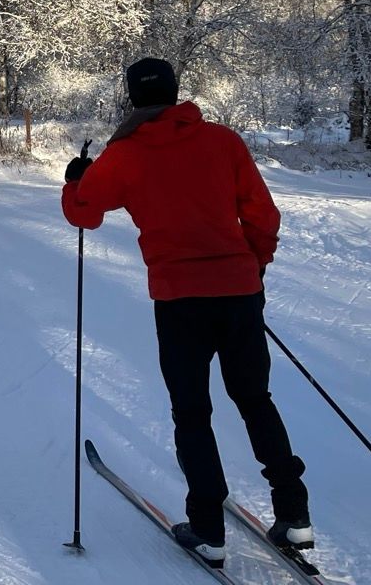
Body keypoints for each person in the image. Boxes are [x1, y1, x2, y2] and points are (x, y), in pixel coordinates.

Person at [62, 57, 312, 566]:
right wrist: (253, 267)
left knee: (192, 412)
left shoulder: (125, 154)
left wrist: (75, 179)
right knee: (255, 400)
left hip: (180, 302)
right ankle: (294, 515)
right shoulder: (222, 141)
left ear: (133, 98)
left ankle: (207, 528)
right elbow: (263, 215)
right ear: (175, 93)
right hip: (239, 293)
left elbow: (84, 213)